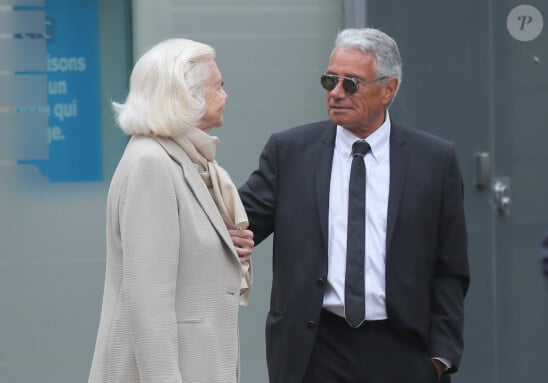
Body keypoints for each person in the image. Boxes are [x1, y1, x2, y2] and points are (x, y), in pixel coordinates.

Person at [234, 28, 470, 383]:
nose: (336, 93)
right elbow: (235, 224)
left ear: (389, 89)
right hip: (315, 349)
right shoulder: (290, 152)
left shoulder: (435, 161)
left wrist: (439, 357)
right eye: (330, 81)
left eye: (351, 84)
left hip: (404, 350)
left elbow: (451, 268)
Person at [88, 38, 253, 383]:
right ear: (185, 96)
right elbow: (148, 300)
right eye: (217, 86)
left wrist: (224, 246)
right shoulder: (151, 162)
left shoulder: (185, 160)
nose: (225, 95)